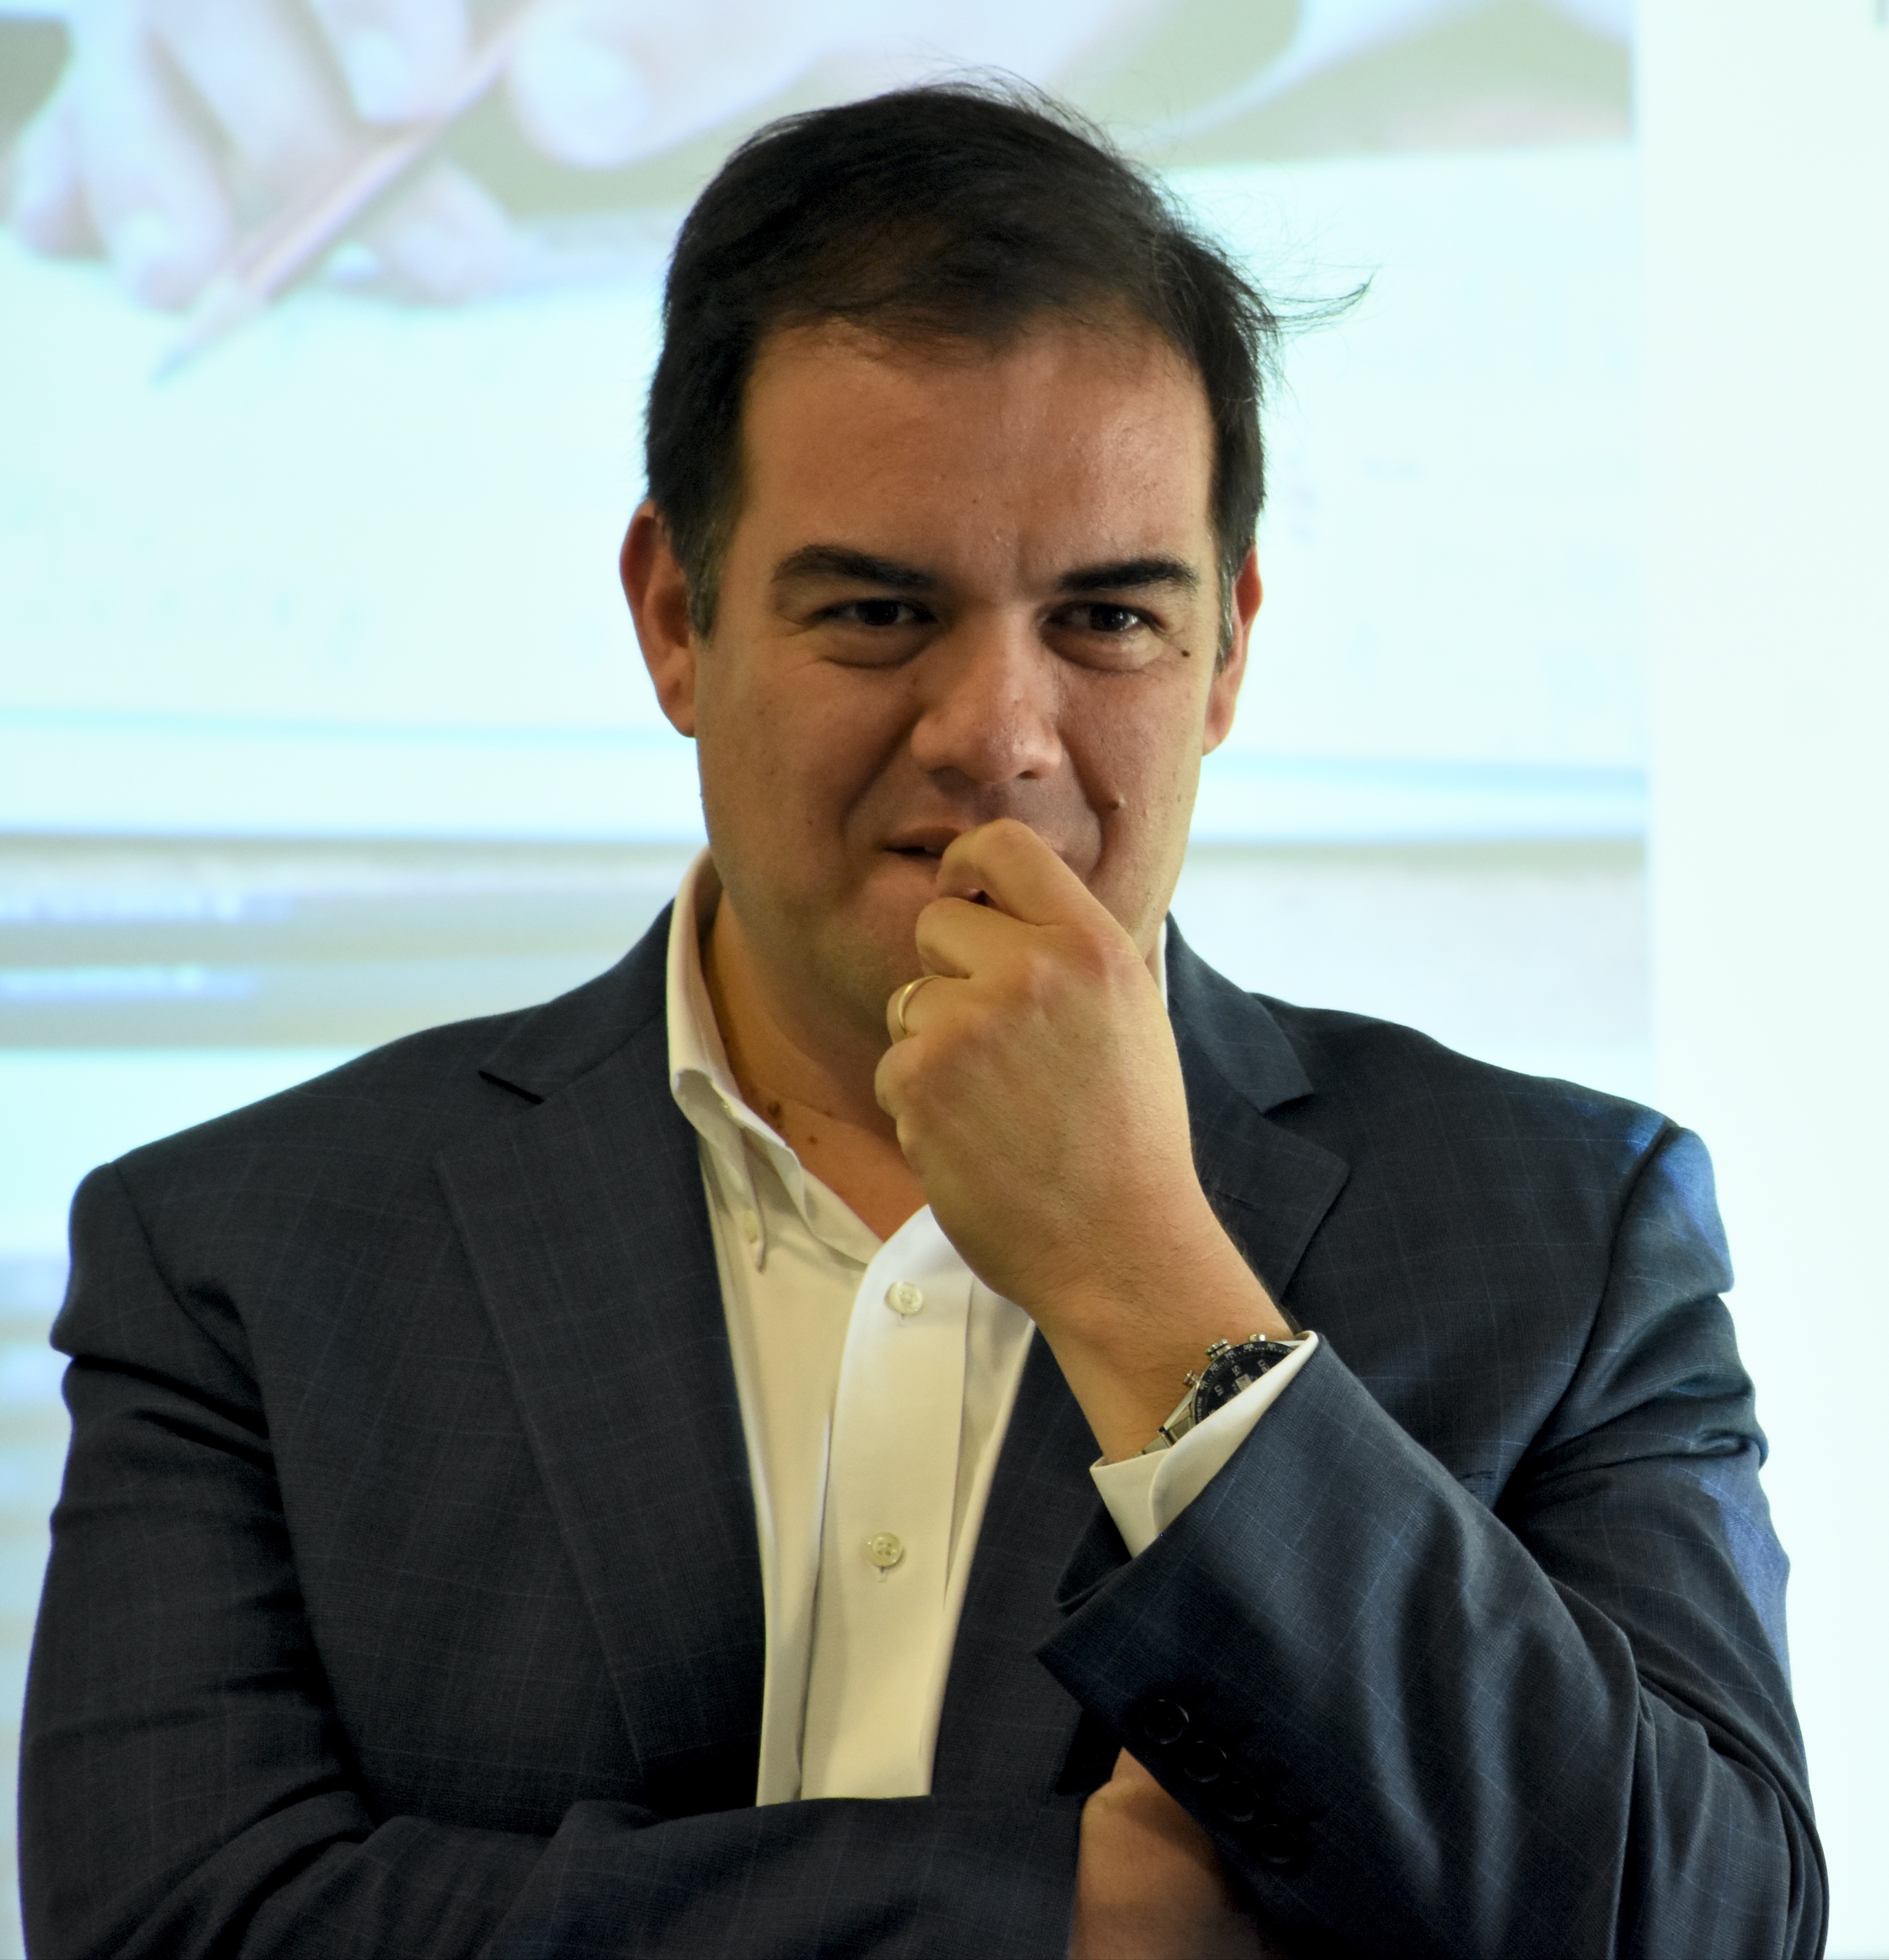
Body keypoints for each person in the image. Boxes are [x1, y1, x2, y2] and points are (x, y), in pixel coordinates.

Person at [20, 82, 1821, 1960]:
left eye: (1108, 620)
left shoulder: (1570, 1233)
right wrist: (1052, 1914)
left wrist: (1146, 1278)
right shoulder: (241, 1252)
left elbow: (1703, 1925)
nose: (998, 735)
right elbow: (165, 1920)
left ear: (1227, 646)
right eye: (881, 612)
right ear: (675, 618)